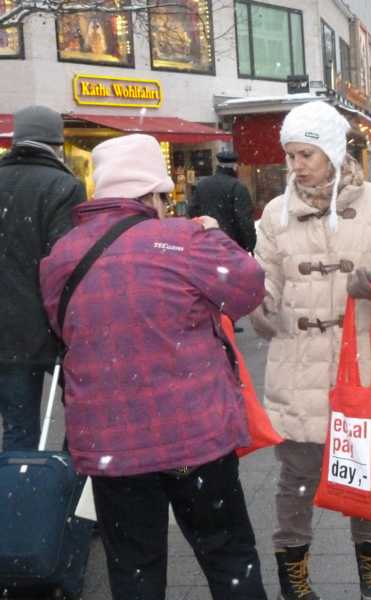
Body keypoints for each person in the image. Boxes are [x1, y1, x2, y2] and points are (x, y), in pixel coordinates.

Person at [38, 134, 269, 600]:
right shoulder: (184, 239)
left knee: (134, 569)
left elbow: (64, 329)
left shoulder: (62, 255)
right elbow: (249, 288)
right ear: (152, 195)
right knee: (228, 557)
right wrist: (213, 235)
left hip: (111, 445)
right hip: (194, 438)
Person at [249, 101, 371, 600]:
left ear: (331, 150)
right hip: (296, 369)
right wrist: (254, 303)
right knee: (296, 483)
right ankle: (294, 579)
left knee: (363, 480)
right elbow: (267, 287)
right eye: (291, 155)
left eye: (306, 153)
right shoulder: (274, 214)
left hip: (361, 371)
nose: (296, 165)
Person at [0, 105, 86, 451]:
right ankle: (70, 489)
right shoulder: (64, 186)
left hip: (5, 331)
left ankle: (19, 498)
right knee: (86, 410)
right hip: (50, 324)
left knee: (19, 428)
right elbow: (64, 262)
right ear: (57, 142)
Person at [188, 149, 257, 254]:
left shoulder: (202, 184)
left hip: (207, 244)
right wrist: (251, 245)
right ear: (235, 166)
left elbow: (192, 211)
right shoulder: (238, 187)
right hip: (231, 246)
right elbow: (244, 220)